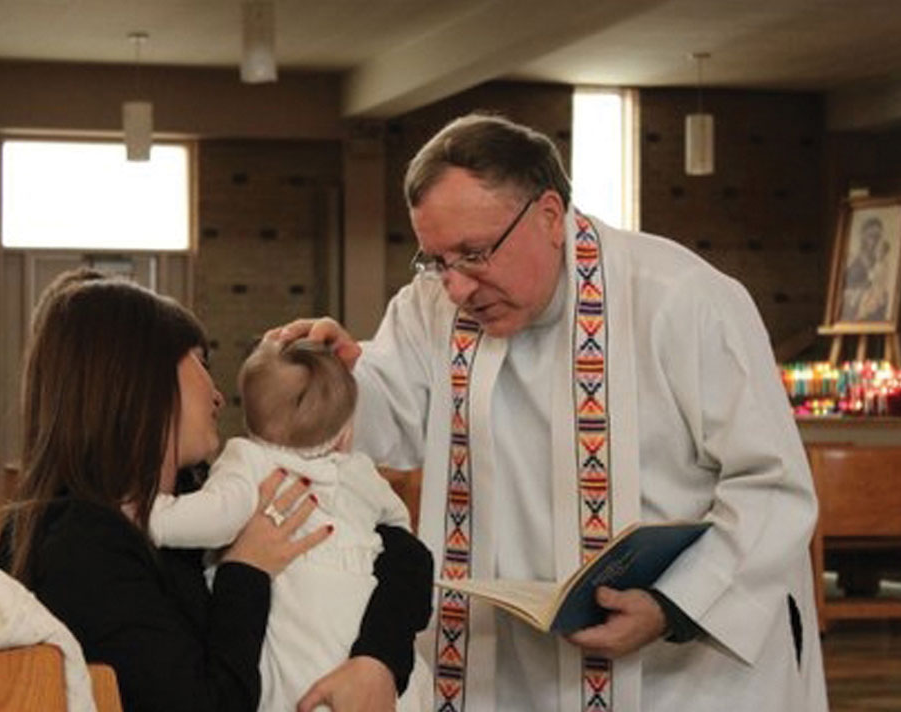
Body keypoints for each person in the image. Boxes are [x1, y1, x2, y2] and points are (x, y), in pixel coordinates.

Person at [272, 113, 828, 711]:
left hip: (682, 674)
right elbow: (394, 423)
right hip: (510, 662)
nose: (456, 287)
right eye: (435, 260)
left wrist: (671, 605)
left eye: (474, 254)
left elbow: (773, 487)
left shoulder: (682, 300)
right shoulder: (432, 306)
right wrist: (337, 376)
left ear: (549, 216)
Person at [0, 275, 432, 712]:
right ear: (141, 377)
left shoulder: (198, 492)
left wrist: (376, 661)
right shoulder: (77, 545)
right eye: (201, 363)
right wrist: (246, 568)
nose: (219, 396)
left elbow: (405, 556)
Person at [148, 337, 432, 711]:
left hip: (298, 670)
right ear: (345, 433)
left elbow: (215, 518)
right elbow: (398, 529)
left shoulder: (248, 461)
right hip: (366, 659)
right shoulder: (359, 472)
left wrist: (153, 515)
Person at [840, 216, 892, 322]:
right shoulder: (852, 259)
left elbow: (881, 284)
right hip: (852, 309)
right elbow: (844, 288)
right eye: (871, 236)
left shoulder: (878, 261)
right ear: (863, 236)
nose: (874, 241)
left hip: (872, 311)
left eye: (877, 237)